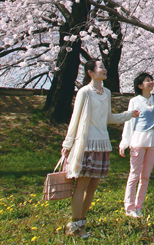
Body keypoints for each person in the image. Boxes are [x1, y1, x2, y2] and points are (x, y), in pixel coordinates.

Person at [61, 59, 138, 237]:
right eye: (100, 67)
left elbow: (108, 117)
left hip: (103, 144)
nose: (104, 70)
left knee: (93, 187)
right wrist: (68, 143)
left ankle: (81, 222)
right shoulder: (84, 92)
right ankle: (76, 224)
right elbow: (75, 117)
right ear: (91, 72)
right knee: (81, 185)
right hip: (86, 144)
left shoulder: (107, 93)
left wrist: (128, 115)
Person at [119, 72, 154, 218]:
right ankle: (129, 207)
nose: (151, 82)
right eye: (148, 81)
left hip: (153, 141)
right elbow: (129, 122)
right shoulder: (135, 101)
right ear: (140, 86)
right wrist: (124, 143)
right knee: (134, 174)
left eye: (151, 80)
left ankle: (138, 206)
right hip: (138, 140)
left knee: (145, 176)